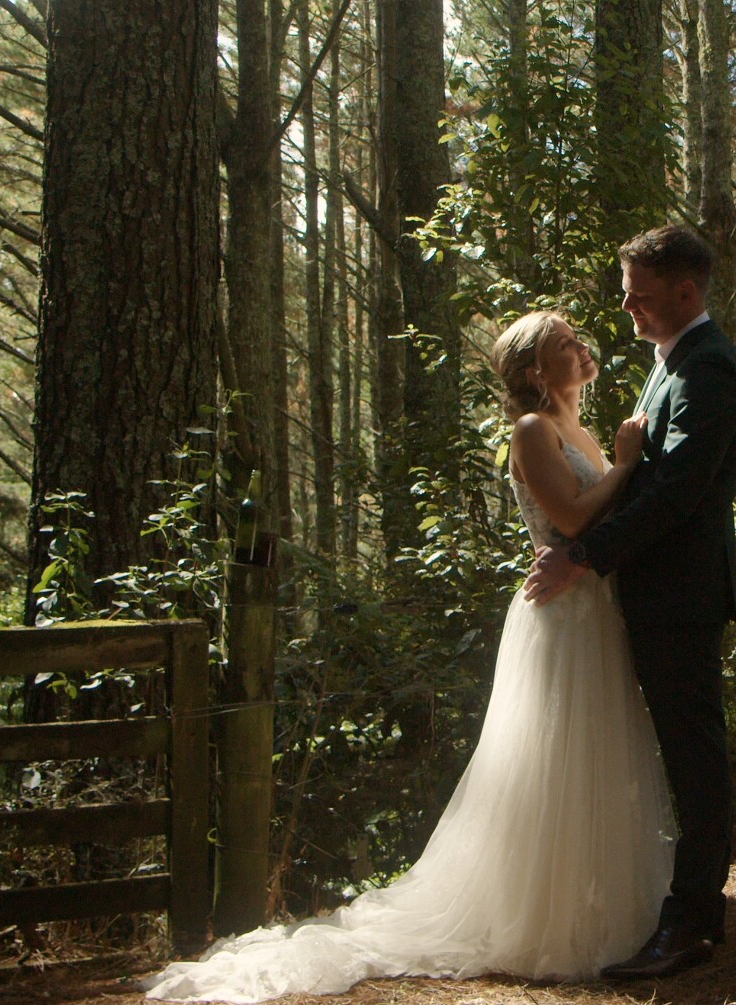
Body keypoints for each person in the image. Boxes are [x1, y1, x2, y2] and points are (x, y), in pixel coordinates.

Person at [144, 311, 672, 1002]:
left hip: (595, 609)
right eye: (564, 343)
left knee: (595, 754)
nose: (581, 346)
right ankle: (547, 918)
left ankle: (597, 907)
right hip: (560, 617)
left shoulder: (584, 432)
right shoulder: (532, 430)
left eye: (575, 337)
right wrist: (626, 467)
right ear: (536, 371)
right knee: (556, 761)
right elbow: (572, 518)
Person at [524, 224, 736, 980]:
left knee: (695, 757)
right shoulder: (672, 363)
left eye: (638, 295)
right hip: (652, 592)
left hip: (681, 594)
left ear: (684, 292)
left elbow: (676, 495)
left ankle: (691, 921)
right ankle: (684, 908)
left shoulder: (709, 369)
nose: (625, 307)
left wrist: (582, 556)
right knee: (677, 753)